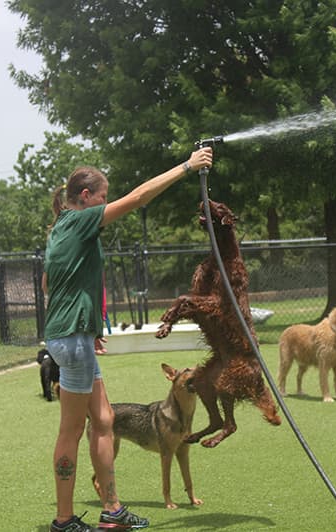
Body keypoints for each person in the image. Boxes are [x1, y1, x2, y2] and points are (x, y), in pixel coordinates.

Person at [44, 147, 213, 532]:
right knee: (71, 430)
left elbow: (51, 283)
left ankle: (113, 512)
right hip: (71, 340)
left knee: (104, 420)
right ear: (86, 197)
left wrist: (88, 327)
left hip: (74, 337)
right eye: (102, 198)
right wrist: (187, 167)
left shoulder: (61, 229)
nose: (105, 205)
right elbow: (138, 198)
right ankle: (64, 520)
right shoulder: (80, 220)